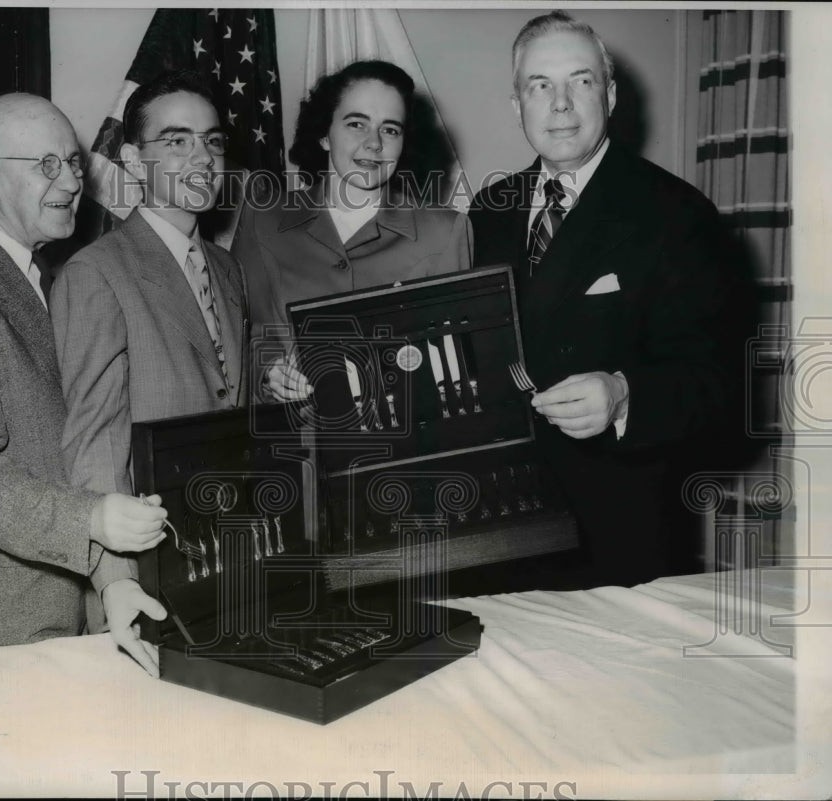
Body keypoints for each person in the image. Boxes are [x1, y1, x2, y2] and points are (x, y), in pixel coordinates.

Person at [468, 12, 745, 586]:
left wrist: (623, 395)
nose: (561, 103)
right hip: (499, 532)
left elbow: (720, 387)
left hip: (622, 542)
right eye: (540, 86)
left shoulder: (676, 213)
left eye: (581, 80)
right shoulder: (486, 211)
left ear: (611, 95)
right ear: (517, 104)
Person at [0, 93, 169, 660]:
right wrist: (93, 516)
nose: (70, 181)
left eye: (72, 162)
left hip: (45, 625)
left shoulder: (29, 276)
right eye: (47, 164)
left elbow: (51, 453)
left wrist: (112, 581)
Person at [50, 71, 248, 664]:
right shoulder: (97, 272)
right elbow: (92, 439)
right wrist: (116, 581)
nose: (202, 158)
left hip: (231, 558)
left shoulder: (226, 267)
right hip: (148, 574)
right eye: (177, 140)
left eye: (212, 142)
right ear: (134, 161)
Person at [232, 59, 473, 401]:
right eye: (356, 124)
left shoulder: (446, 231)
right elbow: (237, 334)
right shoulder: (262, 220)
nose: (374, 143)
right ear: (324, 135)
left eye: (390, 129)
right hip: (294, 442)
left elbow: (458, 363)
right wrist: (268, 373)